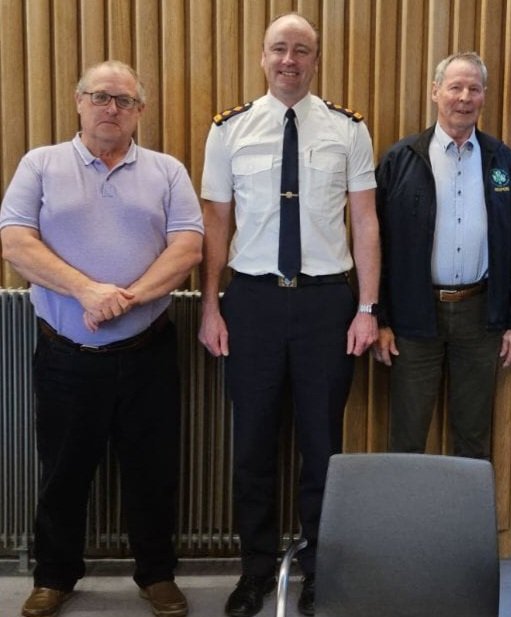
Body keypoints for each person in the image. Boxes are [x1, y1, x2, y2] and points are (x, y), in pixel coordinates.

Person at [0, 60, 203, 617]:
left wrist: (127, 298)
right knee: (63, 472)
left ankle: (157, 575)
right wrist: (89, 291)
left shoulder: (167, 171)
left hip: (148, 354)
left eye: (125, 101)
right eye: (101, 97)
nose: (111, 108)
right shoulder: (39, 164)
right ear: (78, 100)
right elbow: (15, 242)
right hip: (65, 356)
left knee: (154, 472)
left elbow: (188, 248)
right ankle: (54, 577)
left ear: (139, 112)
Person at [198, 13, 379, 617]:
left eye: (302, 50)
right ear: (262, 57)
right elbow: (215, 225)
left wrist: (367, 308)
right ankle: (253, 572)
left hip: (328, 305)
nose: (290, 60)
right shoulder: (229, 131)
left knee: (323, 446)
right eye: (280, 49)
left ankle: (318, 569)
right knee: (251, 445)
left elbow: (365, 223)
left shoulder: (349, 131)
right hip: (251, 303)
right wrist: (210, 306)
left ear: (316, 60)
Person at [373, 52, 511, 459]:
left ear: (483, 96)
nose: (464, 97)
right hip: (414, 317)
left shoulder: (502, 161)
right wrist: (381, 319)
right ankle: (406, 524)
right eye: (455, 87)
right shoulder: (401, 159)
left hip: (480, 318)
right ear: (435, 92)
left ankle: (465, 524)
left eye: (474, 89)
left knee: (473, 436)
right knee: (407, 436)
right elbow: (375, 246)